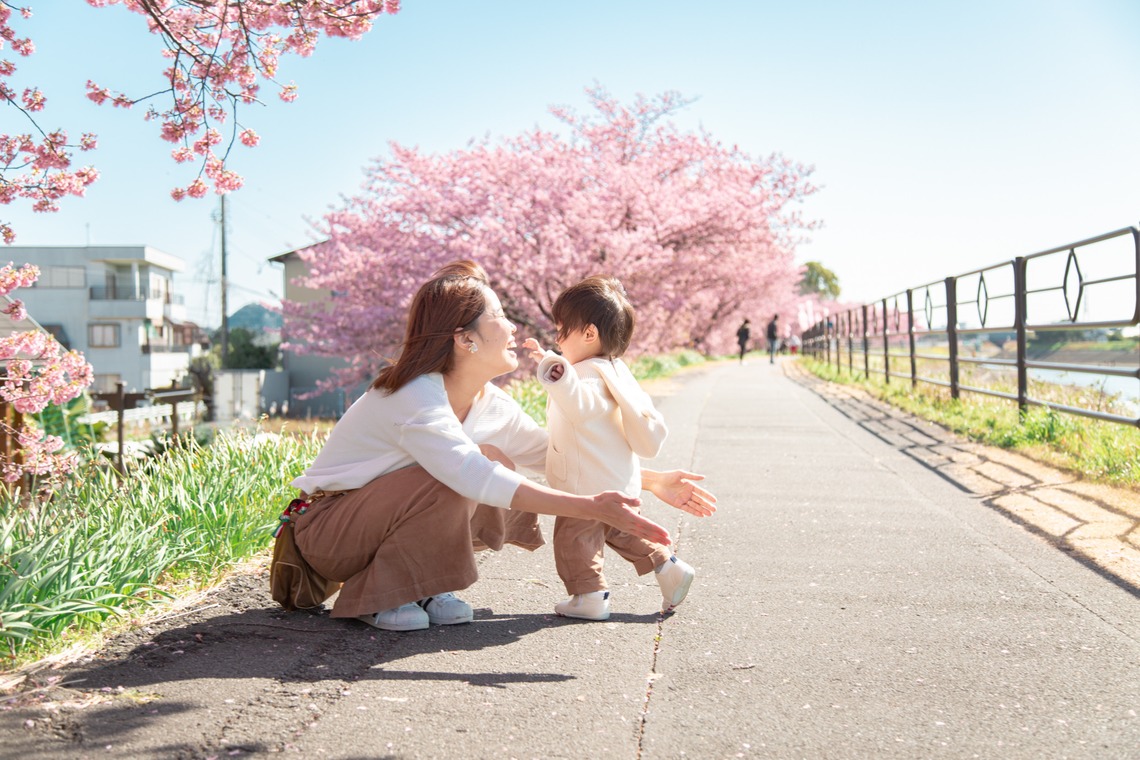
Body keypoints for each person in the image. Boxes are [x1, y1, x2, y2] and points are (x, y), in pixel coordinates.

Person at [288, 261, 716, 632]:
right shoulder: (415, 396)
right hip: (329, 532)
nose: (514, 327)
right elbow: (469, 474)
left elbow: (554, 458)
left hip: (378, 523)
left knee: (492, 457)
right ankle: (383, 593)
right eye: (498, 315)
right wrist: (592, 509)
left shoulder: (492, 403)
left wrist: (652, 480)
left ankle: (427, 585)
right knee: (468, 469)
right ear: (464, 338)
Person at [522, 275, 710, 621]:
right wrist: (552, 361)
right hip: (614, 480)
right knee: (623, 531)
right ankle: (668, 566)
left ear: (589, 334)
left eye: (562, 331)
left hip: (586, 486)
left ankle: (589, 594)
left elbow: (580, 406)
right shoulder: (615, 370)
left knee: (573, 540)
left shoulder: (587, 375)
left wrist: (551, 366)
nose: (558, 339)